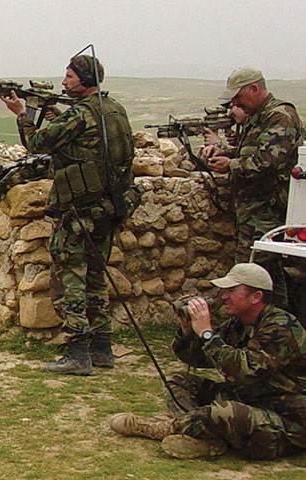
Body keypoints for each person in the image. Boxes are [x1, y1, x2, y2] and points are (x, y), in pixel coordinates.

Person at [0, 54, 134, 375]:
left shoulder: (81, 114)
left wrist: (22, 114)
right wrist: (57, 114)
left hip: (79, 209)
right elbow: (88, 144)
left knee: (71, 276)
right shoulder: (114, 109)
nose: (64, 82)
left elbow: (36, 143)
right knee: (96, 277)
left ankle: (77, 352)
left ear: (85, 80)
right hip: (107, 207)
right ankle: (102, 348)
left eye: (70, 76)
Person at [109, 263, 306, 459]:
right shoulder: (238, 324)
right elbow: (198, 359)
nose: (224, 296)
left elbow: (246, 371)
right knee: (178, 382)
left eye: (231, 291)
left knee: (225, 412)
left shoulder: (282, 327)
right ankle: (207, 437)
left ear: (256, 297)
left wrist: (207, 333)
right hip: (247, 398)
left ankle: (163, 428)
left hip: (285, 421)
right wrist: (188, 331)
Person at [199, 67, 304, 313]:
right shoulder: (258, 117)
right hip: (254, 210)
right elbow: (251, 153)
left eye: (237, 96)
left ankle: (263, 329)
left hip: (267, 211)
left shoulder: (280, 116)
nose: (234, 103)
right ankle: (277, 325)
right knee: (266, 275)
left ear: (254, 89)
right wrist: (223, 152)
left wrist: (230, 165)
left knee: (252, 273)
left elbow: (267, 161)